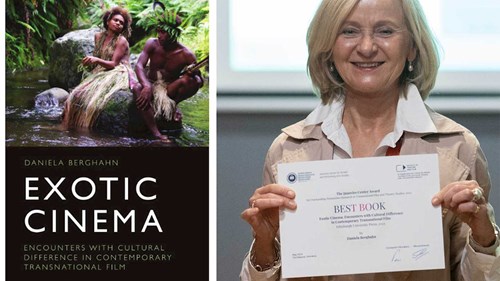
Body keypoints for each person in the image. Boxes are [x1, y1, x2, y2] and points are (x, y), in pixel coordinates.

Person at [239, 0, 500, 280]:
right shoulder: (288, 151)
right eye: (349, 31)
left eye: (385, 31)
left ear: (412, 46)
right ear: (329, 47)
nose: (366, 47)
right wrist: (265, 246)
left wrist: (484, 237)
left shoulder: (457, 148)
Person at [132, 11, 204, 141]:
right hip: (151, 82)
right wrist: (146, 85)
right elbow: (139, 66)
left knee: (193, 81)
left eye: (163, 32)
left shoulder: (186, 54)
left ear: (173, 33)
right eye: (158, 31)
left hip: (168, 89)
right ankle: (156, 132)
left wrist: (193, 72)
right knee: (137, 87)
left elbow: (200, 81)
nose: (159, 36)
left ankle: (172, 105)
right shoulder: (152, 43)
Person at [61, 6, 136, 129]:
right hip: (102, 70)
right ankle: (66, 124)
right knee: (75, 94)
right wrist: (89, 63)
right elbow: (98, 57)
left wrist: (96, 60)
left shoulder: (121, 41)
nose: (118, 23)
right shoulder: (98, 36)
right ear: (108, 21)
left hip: (118, 71)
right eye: (115, 20)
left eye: (121, 23)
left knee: (93, 98)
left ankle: (85, 125)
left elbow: (114, 64)